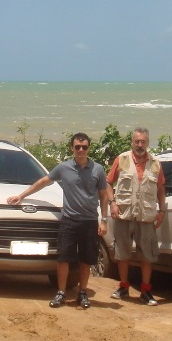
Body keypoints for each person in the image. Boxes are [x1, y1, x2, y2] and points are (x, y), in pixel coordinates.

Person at [7, 132, 107, 309]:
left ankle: (82, 293)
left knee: (86, 260)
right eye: (77, 147)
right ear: (72, 148)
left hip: (90, 220)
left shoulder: (98, 169)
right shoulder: (63, 168)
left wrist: (104, 219)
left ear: (89, 148)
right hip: (69, 220)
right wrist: (21, 196)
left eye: (84, 147)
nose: (81, 150)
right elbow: (44, 181)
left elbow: (103, 195)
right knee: (63, 258)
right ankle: (61, 292)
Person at [105, 127, 166, 306]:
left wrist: (162, 211)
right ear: (132, 142)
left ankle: (146, 290)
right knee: (122, 252)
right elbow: (108, 183)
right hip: (124, 214)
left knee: (147, 255)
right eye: (137, 141)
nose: (140, 145)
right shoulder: (122, 159)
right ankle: (123, 286)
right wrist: (112, 203)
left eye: (143, 142)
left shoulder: (156, 163)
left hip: (146, 215)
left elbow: (161, 189)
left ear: (148, 143)